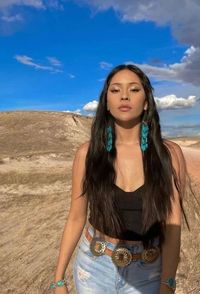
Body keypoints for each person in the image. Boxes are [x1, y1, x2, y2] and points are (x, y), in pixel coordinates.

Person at [50, 64, 190, 294]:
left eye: (134, 89)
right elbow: (76, 217)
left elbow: (173, 224)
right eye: (115, 90)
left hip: (148, 270)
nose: (124, 95)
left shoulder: (169, 154)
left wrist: (168, 282)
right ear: (106, 102)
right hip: (93, 267)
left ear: (146, 102)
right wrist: (58, 280)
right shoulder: (87, 154)